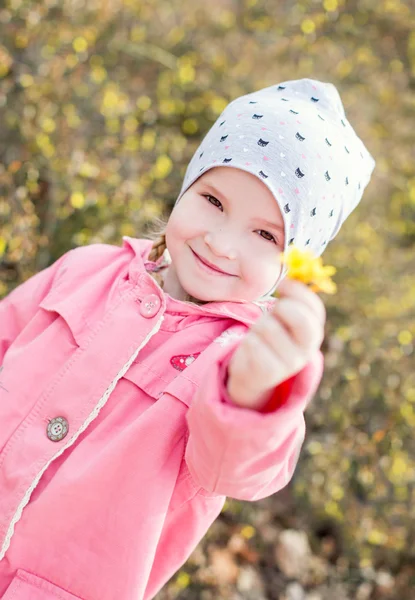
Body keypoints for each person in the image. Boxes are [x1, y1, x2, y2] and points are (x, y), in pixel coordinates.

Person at [0, 78, 375, 600]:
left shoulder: (235, 361)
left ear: (295, 264)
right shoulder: (85, 270)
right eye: (213, 200)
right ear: (187, 185)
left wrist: (257, 389)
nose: (220, 242)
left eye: (265, 234)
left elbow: (239, 469)